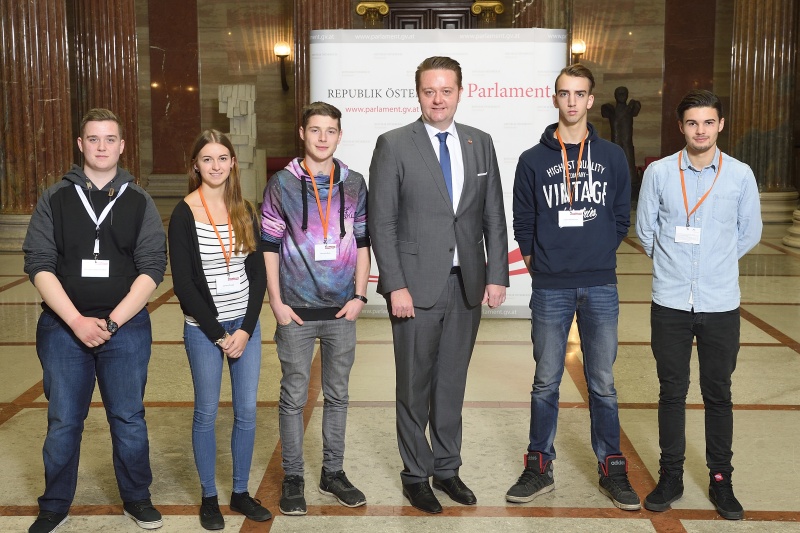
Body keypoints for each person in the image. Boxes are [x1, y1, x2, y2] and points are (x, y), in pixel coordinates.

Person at [368, 56, 509, 514]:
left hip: (465, 283)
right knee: (414, 384)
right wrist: (395, 286)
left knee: (452, 382)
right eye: (430, 90)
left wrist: (496, 275)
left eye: (446, 90)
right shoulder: (393, 144)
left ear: (460, 92)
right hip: (414, 287)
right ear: (418, 93)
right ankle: (416, 475)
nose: (438, 99)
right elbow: (382, 221)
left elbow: (492, 214)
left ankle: (447, 469)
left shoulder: (479, 143)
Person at [22, 108, 167, 533]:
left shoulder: (140, 201)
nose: (101, 147)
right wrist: (76, 321)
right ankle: (54, 504)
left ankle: (138, 498)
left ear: (122, 146)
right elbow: (39, 264)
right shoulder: (55, 198)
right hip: (63, 329)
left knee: (128, 417)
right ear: (80, 145)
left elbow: (152, 267)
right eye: (93, 139)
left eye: (110, 139)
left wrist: (114, 322)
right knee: (64, 419)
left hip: (127, 329)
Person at [509, 64, 639, 511]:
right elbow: (523, 222)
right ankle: (538, 465)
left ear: (589, 99)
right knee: (545, 381)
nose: (571, 101)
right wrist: (539, 262)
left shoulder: (613, 156)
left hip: (600, 283)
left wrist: (600, 249)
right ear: (555, 98)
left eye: (579, 94)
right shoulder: (533, 159)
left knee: (602, 382)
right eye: (564, 93)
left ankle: (612, 469)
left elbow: (621, 214)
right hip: (550, 287)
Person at [636, 90, 762, 520]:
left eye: (708, 122)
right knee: (671, 392)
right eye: (692, 123)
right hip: (669, 300)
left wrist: (714, 263)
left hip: (721, 301)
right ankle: (670, 475)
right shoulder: (659, 172)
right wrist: (675, 265)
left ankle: (721, 480)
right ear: (681, 127)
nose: (700, 130)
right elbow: (645, 229)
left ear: (720, 125)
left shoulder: (740, 175)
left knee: (718, 393)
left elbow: (749, 233)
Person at [261, 102, 370, 516]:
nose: (323, 137)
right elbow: (269, 246)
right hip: (297, 311)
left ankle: (333, 472)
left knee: (338, 395)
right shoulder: (282, 184)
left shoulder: (355, 183)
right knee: (293, 396)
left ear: (339, 136)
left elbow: (363, 244)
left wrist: (359, 296)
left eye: (330, 130)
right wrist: (277, 302)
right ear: (302, 134)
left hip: (342, 310)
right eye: (315, 130)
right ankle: (293, 477)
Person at [168, 130, 271, 530]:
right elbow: (184, 285)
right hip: (204, 330)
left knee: (246, 411)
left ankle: (241, 492)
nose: (215, 166)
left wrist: (245, 329)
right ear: (195, 165)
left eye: (222, 158)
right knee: (207, 412)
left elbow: (257, 273)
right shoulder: (183, 213)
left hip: (244, 327)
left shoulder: (244, 207)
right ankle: (209, 497)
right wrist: (218, 334)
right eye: (207, 159)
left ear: (232, 163)